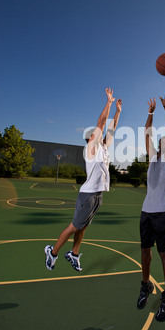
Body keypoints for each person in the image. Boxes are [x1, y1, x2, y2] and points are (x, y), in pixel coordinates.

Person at [45, 87, 122, 272]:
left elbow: (111, 129)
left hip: (97, 196)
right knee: (74, 226)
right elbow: (102, 122)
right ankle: (53, 252)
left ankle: (74, 253)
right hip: (87, 195)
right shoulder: (91, 149)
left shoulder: (103, 148)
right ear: (91, 139)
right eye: (97, 134)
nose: (101, 134)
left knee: (83, 226)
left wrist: (118, 112)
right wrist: (109, 102)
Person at [137, 90, 165, 322]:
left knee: (163, 253)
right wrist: (151, 112)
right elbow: (146, 133)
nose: (162, 142)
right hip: (147, 211)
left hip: (163, 210)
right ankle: (145, 286)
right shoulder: (153, 157)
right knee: (145, 251)